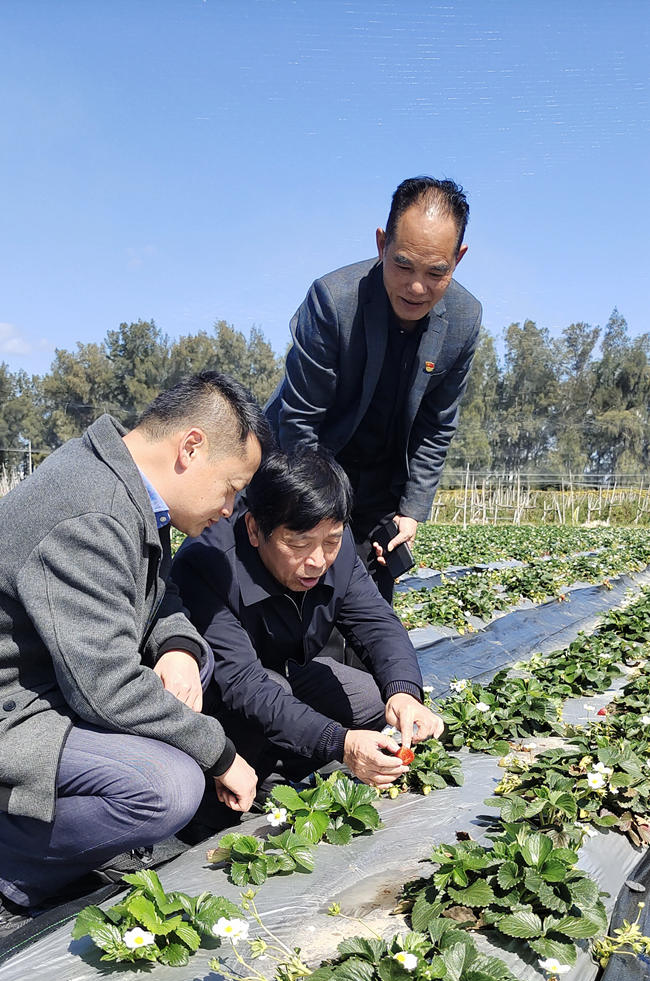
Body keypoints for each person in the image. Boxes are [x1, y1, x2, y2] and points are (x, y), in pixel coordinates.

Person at [0, 371, 268, 932]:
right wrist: (220, 753)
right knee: (166, 787)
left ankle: (56, 840)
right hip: (14, 706)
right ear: (191, 448)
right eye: (231, 487)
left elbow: (153, 591)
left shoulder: (123, 489)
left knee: (193, 672)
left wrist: (175, 647)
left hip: (53, 683)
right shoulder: (92, 511)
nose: (229, 507)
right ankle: (14, 866)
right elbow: (105, 687)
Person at [171, 448, 443, 814]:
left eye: (331, 541)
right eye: (298, 544)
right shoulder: (208, 563)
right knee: (274, 693)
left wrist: (405, 693)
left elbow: (377, 624)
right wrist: (340, 743)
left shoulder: (336, 545)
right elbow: (244, 685)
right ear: (254, 529)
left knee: (373, 697)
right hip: (218, 701)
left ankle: (284, 763)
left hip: (284, 672)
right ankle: (229, 788)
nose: (317, 560)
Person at [265, 176, 482, 602]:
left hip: (381, 485)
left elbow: (436, 427)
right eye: (402, 265)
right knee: (301, 603)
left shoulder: (464, 318)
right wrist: (323, 521)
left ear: (458, 259)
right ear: (382, 244)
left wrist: (411, 511)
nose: (417, 287)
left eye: (436, 272)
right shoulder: (334, 300)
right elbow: (301, 422)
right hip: (309, 467)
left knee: (369, 613)